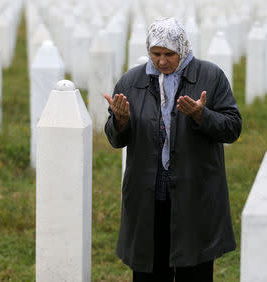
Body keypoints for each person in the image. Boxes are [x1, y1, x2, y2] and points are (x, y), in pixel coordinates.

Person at [104, 17, 242, 282]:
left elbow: (233, 127)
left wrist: (203, 116)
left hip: (195, 194)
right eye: (156, 54)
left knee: (195, 268)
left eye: (170, 54)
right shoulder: (132, 82)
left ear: (183, 48)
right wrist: (120, 121)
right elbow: (114, 138)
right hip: (148, 197)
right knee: (150, 268)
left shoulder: (210, 77)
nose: (162, 61)